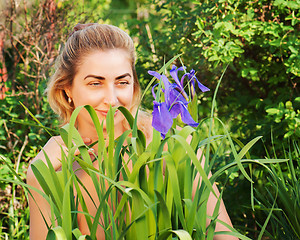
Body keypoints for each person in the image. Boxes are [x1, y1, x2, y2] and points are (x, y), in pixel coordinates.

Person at [27, 23, 237, 239]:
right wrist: (36, 178)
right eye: (95, 83)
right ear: (67, 89)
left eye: (122, 82)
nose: (111, 99)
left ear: (134, 86)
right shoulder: (56, 164)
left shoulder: (172, 147)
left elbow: (225, 235)